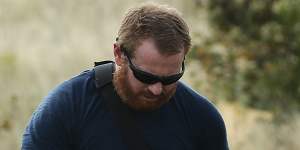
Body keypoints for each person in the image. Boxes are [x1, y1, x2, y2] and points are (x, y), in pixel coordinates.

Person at [22, 3, 229, 150]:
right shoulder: (66, 108)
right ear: (119, 54)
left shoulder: (202, 119)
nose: (157, 89)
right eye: (146, 76)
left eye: (170, 79)